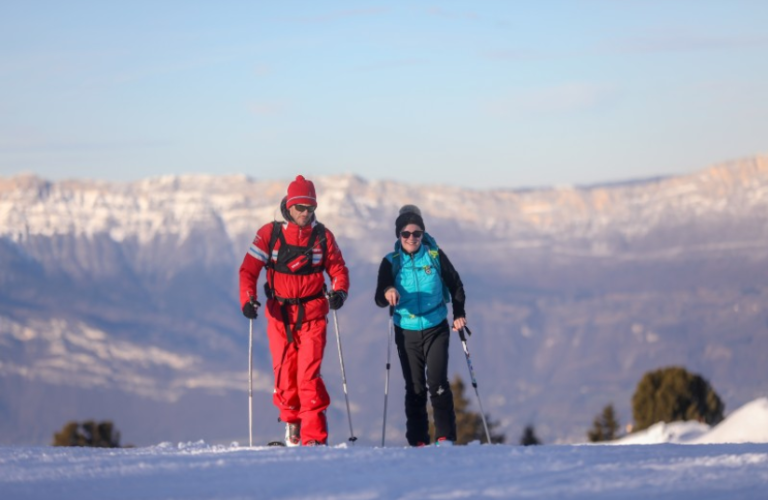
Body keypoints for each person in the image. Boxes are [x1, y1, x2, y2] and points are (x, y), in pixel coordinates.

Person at [239, 174, 350, 446]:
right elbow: (248, 271)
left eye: (310, 208)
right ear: (288, 206)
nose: (305, 213)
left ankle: (314, 439)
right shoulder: (270, 235)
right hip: (279, 317)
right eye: (300, 207)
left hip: (313, 317)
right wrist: (248, 299)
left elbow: (338, 269)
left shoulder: (322, 237)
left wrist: (339, 291)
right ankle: (292, 427)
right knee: (285, 378)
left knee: (308, 377)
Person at [374, 205, 467, 446]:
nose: (412, 238)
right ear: (398, 235)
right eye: (406, 234)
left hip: (436, 326)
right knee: (414, 387)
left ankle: (445, 438)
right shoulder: (390, 262)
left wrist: (458, 313)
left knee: (437, 383)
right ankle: (418, 441)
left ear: (423, 234)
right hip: (406, 330)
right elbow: (378, 297)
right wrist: (388, 290)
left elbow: (455, 284)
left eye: (417, 233)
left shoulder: (435, 256)